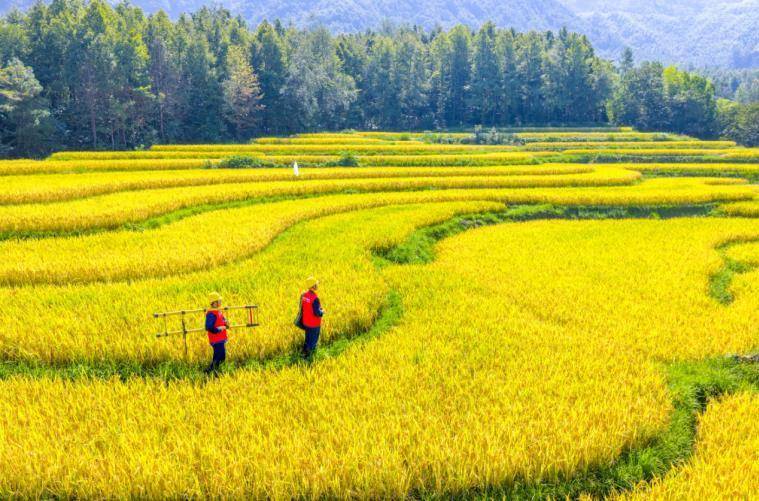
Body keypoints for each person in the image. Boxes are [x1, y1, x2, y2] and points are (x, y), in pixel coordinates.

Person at [204, 292, 229, 374]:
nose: (221, 302)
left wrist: (226, 323)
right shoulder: (211, 314)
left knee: (221, 356)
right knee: (219, 356)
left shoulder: (218, 311)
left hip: (220, 339)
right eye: (219, 301)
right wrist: (218, 329)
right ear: (214, 303)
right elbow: (209, 327)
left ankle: (216, 371)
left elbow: (222, 320)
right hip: (216, 339)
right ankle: (210, 371)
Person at [300, 277, 324, 359]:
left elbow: (306, 307)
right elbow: (317, 313)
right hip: (314, 324)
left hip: (306, 322)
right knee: (313, 341)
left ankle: (303, 352)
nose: (317, 285)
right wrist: (322, 312)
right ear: (313, 286)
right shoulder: (315, 298)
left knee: (308, 338)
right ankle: (308, 357)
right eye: (316, 284)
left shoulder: (304, 295)